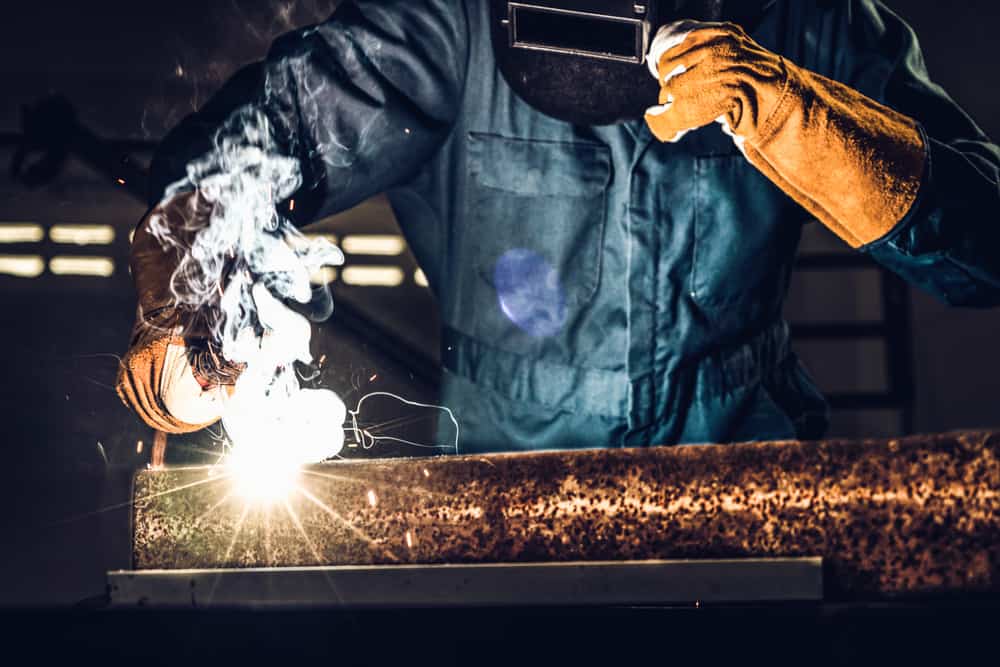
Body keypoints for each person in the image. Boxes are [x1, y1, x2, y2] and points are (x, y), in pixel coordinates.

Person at [117, 0, 1000, 454]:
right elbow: (268, 135)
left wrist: (800, 114)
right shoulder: (449, 22)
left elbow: (986, 247)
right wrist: (193, 279)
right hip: (500, 500)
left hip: (745, 475)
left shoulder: (812, 21)